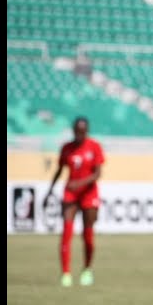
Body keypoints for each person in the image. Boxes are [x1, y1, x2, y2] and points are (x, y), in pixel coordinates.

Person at [45, 116, 104, 287]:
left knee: (88, 236)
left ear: (86, 131)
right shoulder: (66, 148)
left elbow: (98, 174)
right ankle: (65, 273)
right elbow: (59, 170)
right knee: (66, 233)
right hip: (70, 194)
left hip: (89, 194)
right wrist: (50, 191)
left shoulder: (94, 147)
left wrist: (80, 182)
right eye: (77, 131)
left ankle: (87, 269)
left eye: (83, 131)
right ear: (73, 130)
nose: (80, 134)